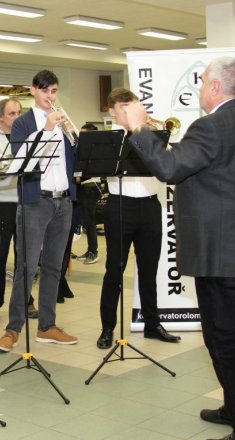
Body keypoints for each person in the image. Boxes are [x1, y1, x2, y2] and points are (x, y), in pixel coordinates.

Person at [123, 56, 235, 440]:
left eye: (203, 83)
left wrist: (139, 128)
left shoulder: (209, 126)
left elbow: (170, 170)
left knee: (224, 342)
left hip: (222, 255)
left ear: (214, 88)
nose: (200, 91)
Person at [0, 69, 79, 351]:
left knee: (54, 267)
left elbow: (76, 156)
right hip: (35, 201)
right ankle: (12, 328)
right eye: (45, 92)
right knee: (26, 267)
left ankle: (47, 326)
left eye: (54, 91)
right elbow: (22, 158)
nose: (50, 97)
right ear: (33, 91)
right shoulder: (22, 123)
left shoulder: (63, 120)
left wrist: (71, 134)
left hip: (63, 200)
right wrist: (47, 130)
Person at [96, 88, 180, 350]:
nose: (129, 111)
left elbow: (166, 166)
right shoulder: (108, 140)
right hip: (120, 205)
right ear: (112, 110)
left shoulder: (153, 136)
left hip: (150, 206)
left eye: (132, 105)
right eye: (123, 107)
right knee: (114, 270)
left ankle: (152, 324)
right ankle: (107, 327)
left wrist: (150, 136)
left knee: (149, 270)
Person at [0, 97, 36, 322]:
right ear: (1, 116)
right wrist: (18, 162)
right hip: (2, 202)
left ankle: (26, 300)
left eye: (19, 113)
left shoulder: (27, 138)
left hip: (25, 200)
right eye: (12, 113)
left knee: (25, 255)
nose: (17, 117)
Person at [74, 123, 100, 265]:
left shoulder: (94, 149)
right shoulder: (85, 148)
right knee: (85, 221)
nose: (81, 136)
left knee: (90, 222)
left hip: (90, 188)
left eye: (84, 134)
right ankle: (90, 250)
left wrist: (79, 176)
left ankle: (94, 252)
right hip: (84, 188)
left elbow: (88, 170)